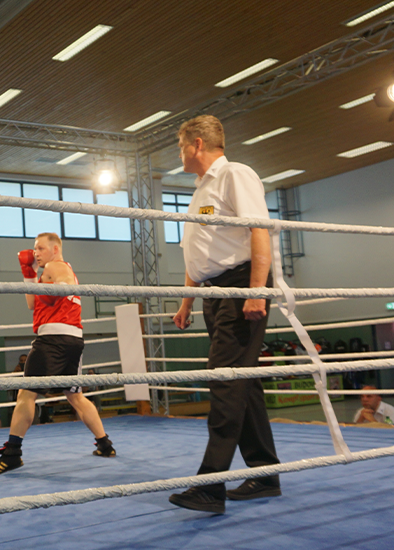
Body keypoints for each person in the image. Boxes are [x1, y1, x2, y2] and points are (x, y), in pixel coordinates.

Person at [165, 115, 279, 515]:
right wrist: (187, 301)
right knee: (243, 383)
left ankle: (210, 485)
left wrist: (256, 291)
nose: (179, 153)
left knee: (225, 381)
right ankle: (265, 474)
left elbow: (259, 230)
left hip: (240, 285)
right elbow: (197, 254)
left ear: (197, 144)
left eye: (181, 145)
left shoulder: (235, 174)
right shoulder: (200, 190)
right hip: (215, 292)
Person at [0, 232, 115, 475]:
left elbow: (65, 284)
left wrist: (56, 287)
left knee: (26, 394)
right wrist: (28, 273)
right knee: (75, 396)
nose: (36, 253)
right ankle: (105, 445)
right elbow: (32, 304)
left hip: (52, 340)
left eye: (41, 248)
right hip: (73, 339)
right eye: (35, 249)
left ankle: (12, 453)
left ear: (55, 249)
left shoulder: (56, 266)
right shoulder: (48, 272)